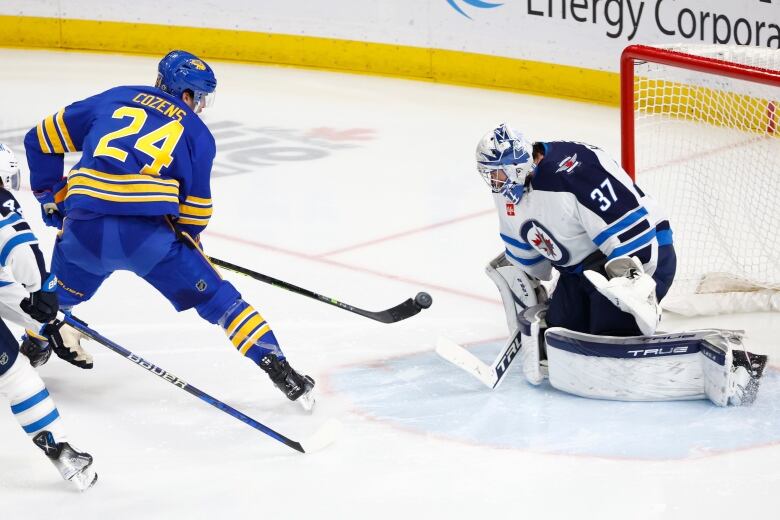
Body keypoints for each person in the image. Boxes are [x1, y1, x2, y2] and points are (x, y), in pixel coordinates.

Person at [22, 50, 315, 410]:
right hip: (149, 242)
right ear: (187, 94)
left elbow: (39, 138)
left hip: (84, 235)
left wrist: (52, 197)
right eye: (201, 97)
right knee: (221, 302)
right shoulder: (198, 135)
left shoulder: (116, 97)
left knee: (52, 298)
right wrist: (189, 249)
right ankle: (280, 369)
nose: (203, 107)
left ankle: (33, 344)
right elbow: (194, 214)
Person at [475, 123, 767, 406]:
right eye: (490, 175)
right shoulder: (508, 192)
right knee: (562, 335)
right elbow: (534, 265)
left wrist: (635, 289)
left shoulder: (574, 170)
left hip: (640, 259)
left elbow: (636, 238)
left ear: (519, 164)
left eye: (498, 173)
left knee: (608, 340)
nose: (495, 182)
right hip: (581, 273)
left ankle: (731, 360)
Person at [0, 144, 97, 490]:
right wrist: (49, 316)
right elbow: (21, 257)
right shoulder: (3, 206)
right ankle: (61, 451)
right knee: (16, 378)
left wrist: (45, 322)